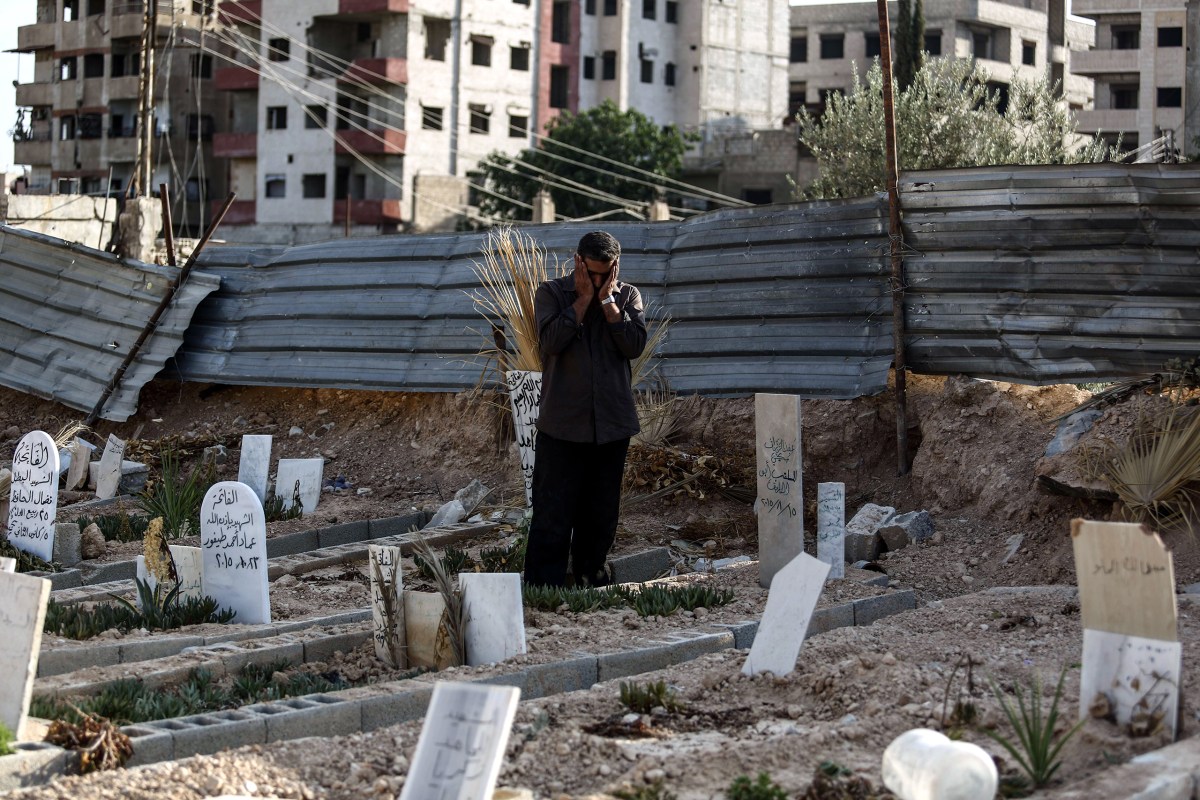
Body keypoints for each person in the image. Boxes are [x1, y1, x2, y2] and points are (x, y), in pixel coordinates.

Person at [524, 231, 648, 587]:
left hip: (611, 424)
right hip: (562, 423)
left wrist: (608, 302)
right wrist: (580, 301)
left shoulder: (628, 296)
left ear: (616, 267)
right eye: (591, 273)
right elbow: (550, 341)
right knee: (553, 511)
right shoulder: (551, 293)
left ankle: (590, 579)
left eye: (604, 273)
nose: (597, 281)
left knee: (601, 512)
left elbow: (634, 344)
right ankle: (543, 588)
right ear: (577, 262)